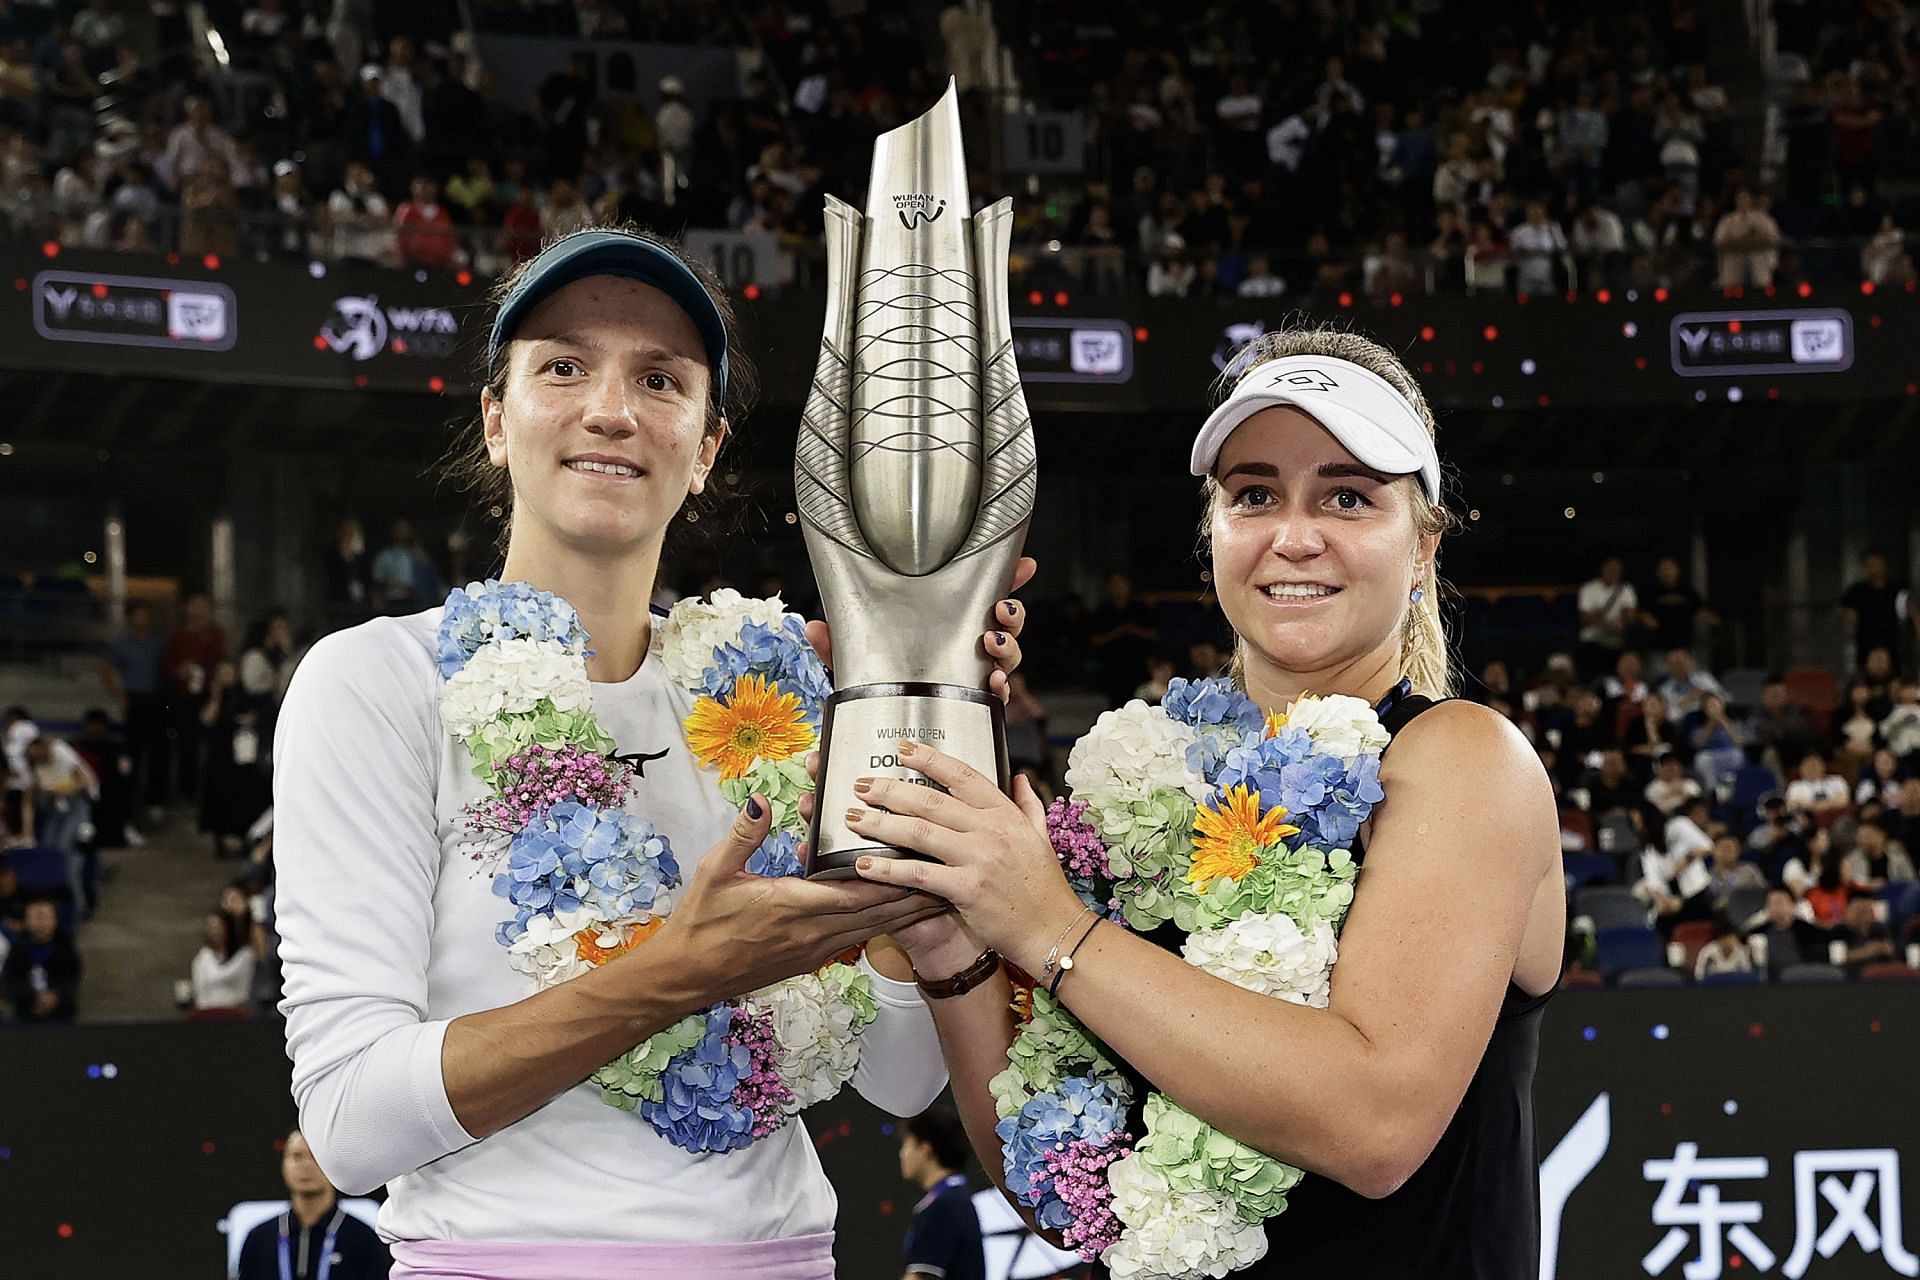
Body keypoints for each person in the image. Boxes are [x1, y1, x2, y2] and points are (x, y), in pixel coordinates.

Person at [272, 225, 1033, 1274]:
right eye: (564, 366)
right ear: (496, 419)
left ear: (707, 444)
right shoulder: (375, 682)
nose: (612, 409)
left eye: (661, 378)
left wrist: (928, 729)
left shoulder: (782, 696)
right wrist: (676, 975)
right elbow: (351, 1121)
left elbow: (898, 1075)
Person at [847, 326, 1564, 1276]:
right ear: (1213, 531)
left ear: (1423, 543)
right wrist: (956, 941)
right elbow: (1065, 1199)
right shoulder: (1146, 794)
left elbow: (1375, 1123)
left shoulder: (1468, 758)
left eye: (1348, 496)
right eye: (1254, 494)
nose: (1294, 536)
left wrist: (1049, 925)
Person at [236, 1129, 391, 1279]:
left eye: (316, 1157)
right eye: (297, 1156)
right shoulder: (260, 1240)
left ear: (334, 1164)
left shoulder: (363, 1240)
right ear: (283, 1164)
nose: (306, 1165)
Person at [898, 1108, 985, 1280]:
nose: (901, 1153)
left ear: (925, 1149)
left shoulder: (945, 1205)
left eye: (906, 1144)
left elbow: (922, 1277)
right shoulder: (953, 1197)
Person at [101, 601, 169, 813]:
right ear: (131, 618)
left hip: (157, 700)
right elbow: (106, 669)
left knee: (159, 753)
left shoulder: (160, 643)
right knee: (133, 753)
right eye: (139, 615)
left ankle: (155, 800)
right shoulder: (123, 644)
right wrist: (120, 697)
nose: (143, 619)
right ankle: (129, 801)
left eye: (146, 615)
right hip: (135, 700)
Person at [0, 899, 80, 1023]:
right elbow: (11, 980)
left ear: (55, 920)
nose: (40, 922)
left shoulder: (65, 948)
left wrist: (55, 996)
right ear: (26, 921)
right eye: (36, 917)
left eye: (45, 917)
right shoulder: (18, 949)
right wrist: (34, 997)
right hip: (25, 1014)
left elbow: (71, 979)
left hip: (61, 1014)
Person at [1840, 550, 1909, 673]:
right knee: (1865, 674)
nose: (1874, 567)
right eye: (1870, 564)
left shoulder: (1897, 588)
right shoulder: (1858, 590)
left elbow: (1911, 607)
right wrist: (1848, 613)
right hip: (1866, 640)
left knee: (1895, 673)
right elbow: (1840, 606)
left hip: (1892, 639)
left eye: (1877, 563)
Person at [1743, 886, 1824, 980]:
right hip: (1770, 982)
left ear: (1792, 905)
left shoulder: (1808, 930)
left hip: (1801, 980)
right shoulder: (1758, 931)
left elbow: (1816, 959)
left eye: (1779, 903)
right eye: (1771, 904)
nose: (1775, 908)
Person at [1577, 555, 1638, 678]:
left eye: (1616, 569)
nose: (1613, 572)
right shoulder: (1589, 588)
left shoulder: (1626, 589)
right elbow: (1585, 617)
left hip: (1618, 641)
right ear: (1603, 569)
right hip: (1593, 640)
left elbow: (1631, 616)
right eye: (1610, 568)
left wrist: (1621, 622)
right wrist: (1605, 624)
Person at [189, 909, 256, 1010]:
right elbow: (199, 989)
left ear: (228, 928)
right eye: (211, 927)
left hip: (235, 1013)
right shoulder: (203, 957)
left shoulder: (244, 955)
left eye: (218, 926)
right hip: (208, 1013)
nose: (214, 931)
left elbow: (218, 975)